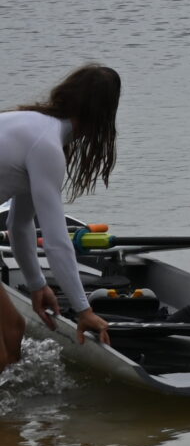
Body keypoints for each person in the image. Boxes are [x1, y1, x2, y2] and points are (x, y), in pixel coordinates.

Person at [1, 64, 121, 364]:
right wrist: (84, 311)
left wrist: (37, 284)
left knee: (14, 330)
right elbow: (55, 243)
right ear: (102, 117)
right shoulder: (46, 146)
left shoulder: (29, 124)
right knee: (5, 345)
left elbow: (21, 225)